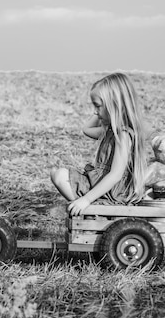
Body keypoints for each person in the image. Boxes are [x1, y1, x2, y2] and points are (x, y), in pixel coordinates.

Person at [50, 73, 147, 216]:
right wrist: (103, 111)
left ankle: (91, 210)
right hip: (100, 185)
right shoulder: (111, 130)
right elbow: (86, 130)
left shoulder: (123, 135)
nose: (95, 111)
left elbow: (115, 175)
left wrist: (86, 199)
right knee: (57, 173)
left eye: (98, 106)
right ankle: (90, 209)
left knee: (60, 175)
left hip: (113, 193)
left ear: (114, 104)